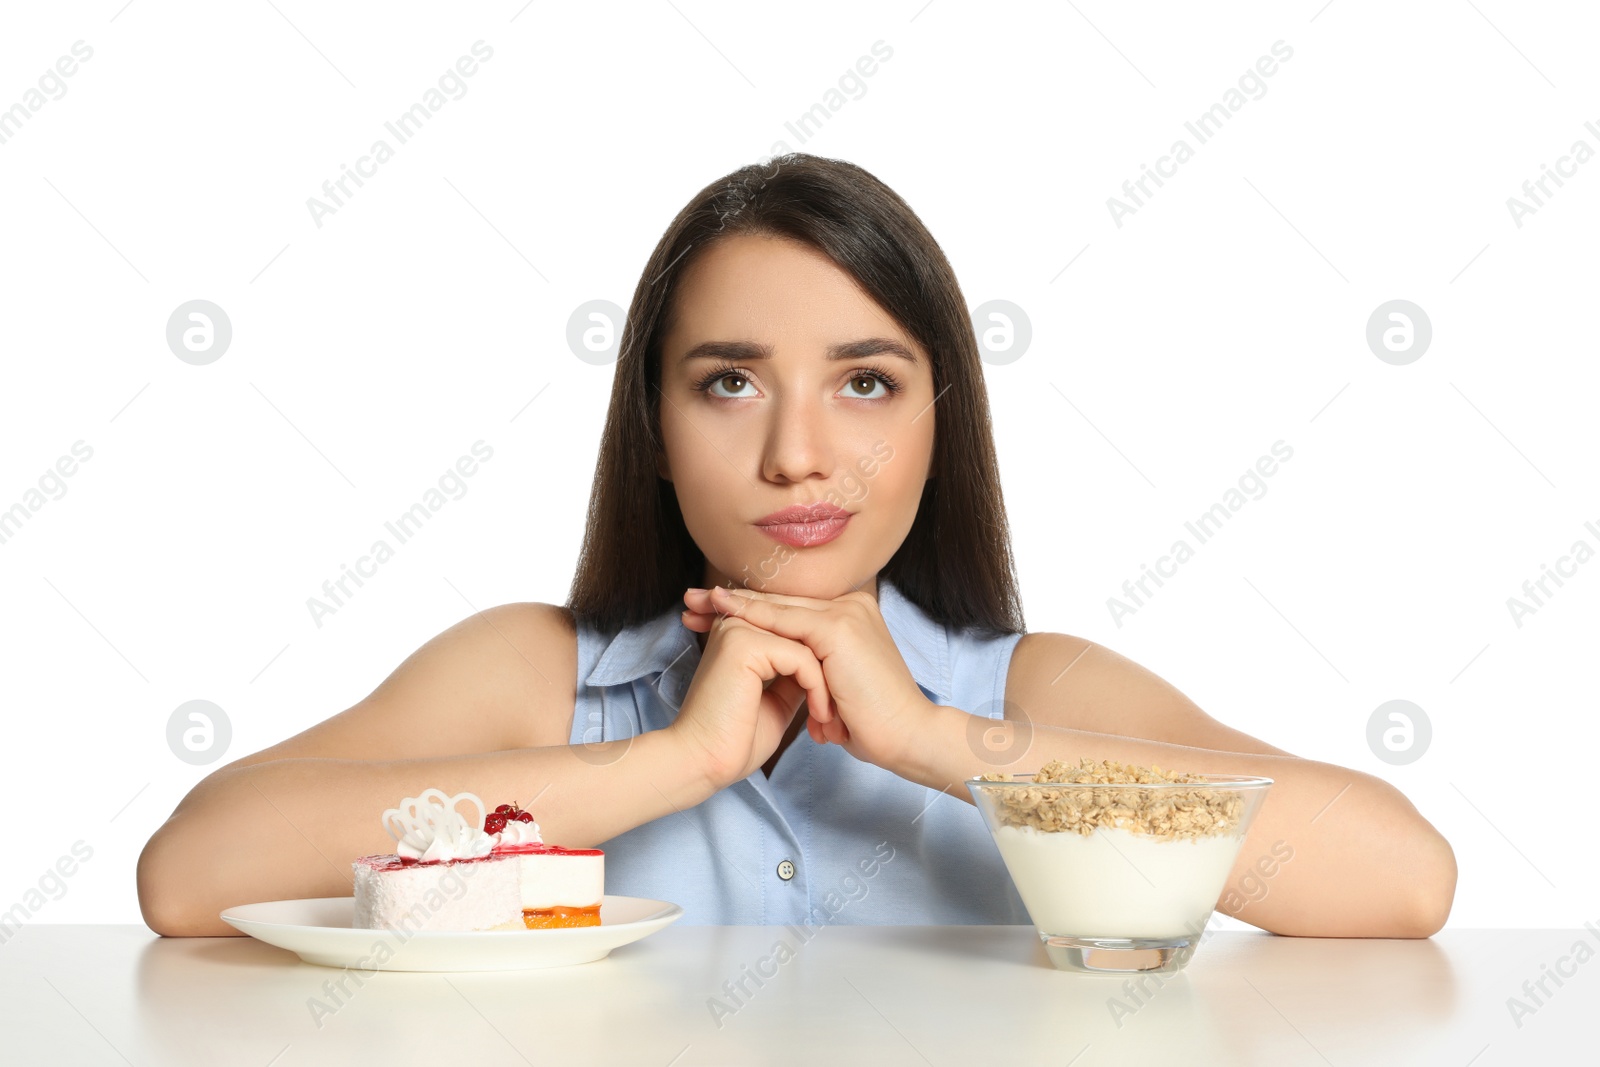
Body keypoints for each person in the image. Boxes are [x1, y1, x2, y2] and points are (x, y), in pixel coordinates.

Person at [137, 153, 1456, 937]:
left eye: (867, 382)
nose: (796, 455)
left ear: (943, 418)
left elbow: (1399, 879)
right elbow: (194, 875)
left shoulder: (1023, 695)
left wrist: (935, 743)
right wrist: (672, 761)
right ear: (651, 424)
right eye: (729, 382)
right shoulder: (542, 676)